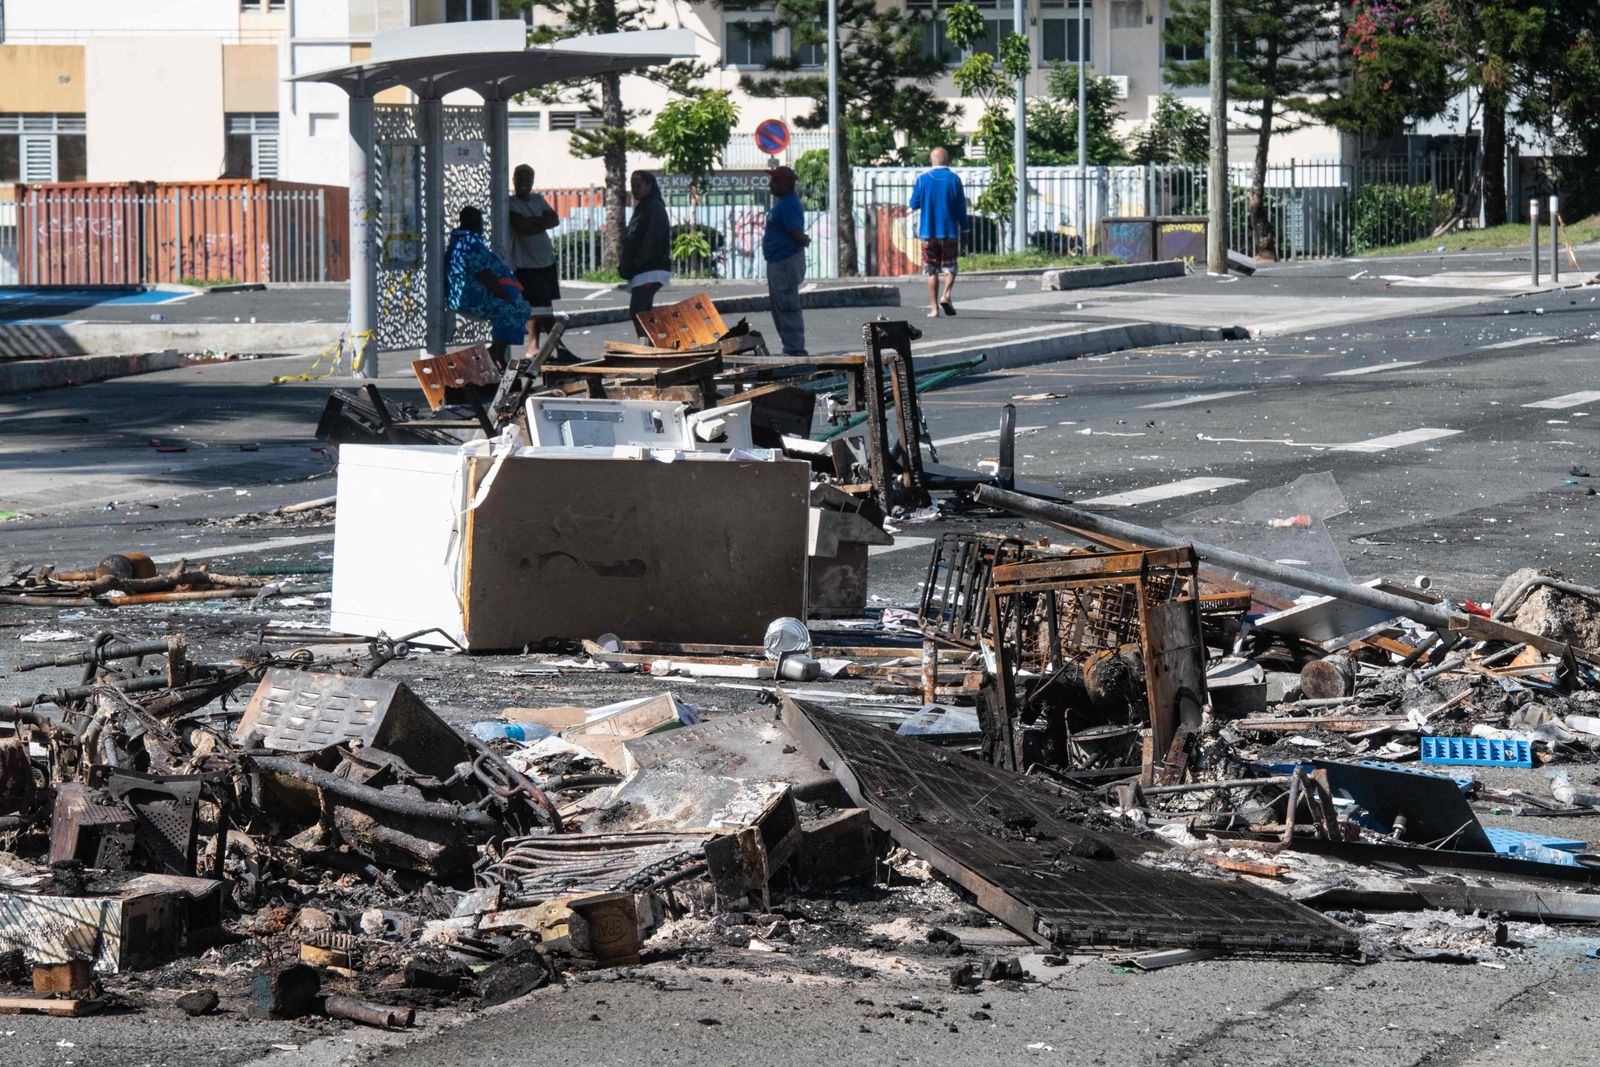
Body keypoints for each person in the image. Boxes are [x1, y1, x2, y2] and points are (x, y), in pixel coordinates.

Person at [444, 205, 531, 368]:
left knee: (514, 307)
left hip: (466, 297)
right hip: (471, 300)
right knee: (514, 309)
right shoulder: (470, 244)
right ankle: (497, 353)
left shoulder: (461, 241)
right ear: (478, 224)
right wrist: (506, 296)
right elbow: (485, 276)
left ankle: (496, 351)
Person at [506, 164, 563, 351]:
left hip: (545, 260)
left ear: (532, 181)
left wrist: (533, 222)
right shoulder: (511, 203)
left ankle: (537, 346)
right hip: (526, 263)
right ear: (513, 180)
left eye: (528, 179)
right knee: (539, 306)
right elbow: (521, 227)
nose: (523, 182)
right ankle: (553, 346)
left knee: (543, 306)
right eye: (519, 178)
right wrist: (540, 222)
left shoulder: (538, 199)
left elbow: (554, 219)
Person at [908, 147, 968, 318]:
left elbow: (913, 204)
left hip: (928, 232)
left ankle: (934, 309)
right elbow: (961, 208)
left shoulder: (923, 179)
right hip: (949, 232)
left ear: (931, 159)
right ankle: (946, 294)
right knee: (950, 266)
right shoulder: (954, 180)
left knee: (931, 269)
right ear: (947, 160)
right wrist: (965, 229)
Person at [762, 165, 811, 356]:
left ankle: (795, 348)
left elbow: (795, 232)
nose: (771, 185)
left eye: (775, 181)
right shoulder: (783, 203)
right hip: (778, 260)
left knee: (787, 304)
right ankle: (790, 346)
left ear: (785, 183)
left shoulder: (788, 204)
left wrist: (804, 240)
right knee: (780, 305)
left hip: (785, 260)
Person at [620, 169, 670, 326]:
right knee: (644, 312)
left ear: (649, 186)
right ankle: (651, 345)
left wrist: (637, 262)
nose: (634, 190)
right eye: (632, 186)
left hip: (650, 269)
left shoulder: (654, 208)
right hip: (644, 269)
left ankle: (650, 345)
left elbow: (653, 239)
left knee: (638, 310)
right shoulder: (644, 207)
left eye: (638, 186)